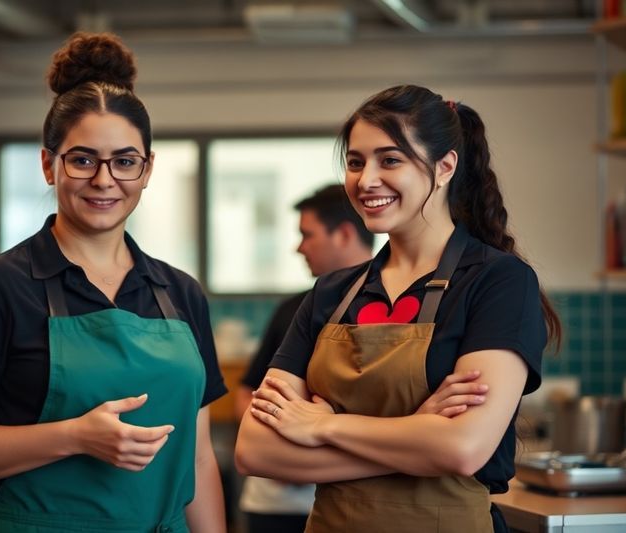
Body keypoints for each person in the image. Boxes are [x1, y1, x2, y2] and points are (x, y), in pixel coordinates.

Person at [0, 32, 227, 533]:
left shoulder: (180, 293)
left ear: (147, 169)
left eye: (125, 161)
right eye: (82, 160)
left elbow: (199, 458)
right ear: (48, 164)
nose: (104, 180)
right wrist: (75, 437)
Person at [235, 84, 561, 533]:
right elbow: (256, 450)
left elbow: (464, 449)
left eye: (390, 160)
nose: (366, 180)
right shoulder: (332, 293)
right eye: (355, 162)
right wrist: (418, 430)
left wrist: (324, 427)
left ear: (445, 167)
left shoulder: (497, 281)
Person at [234, 183, 374, 533]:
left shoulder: (397, 311)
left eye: (307, 235)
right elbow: (247, 393)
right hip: (278, 503)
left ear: (344, 234)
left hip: (357, 502)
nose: (298, 247)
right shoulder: (294, 309)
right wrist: (280, 457)